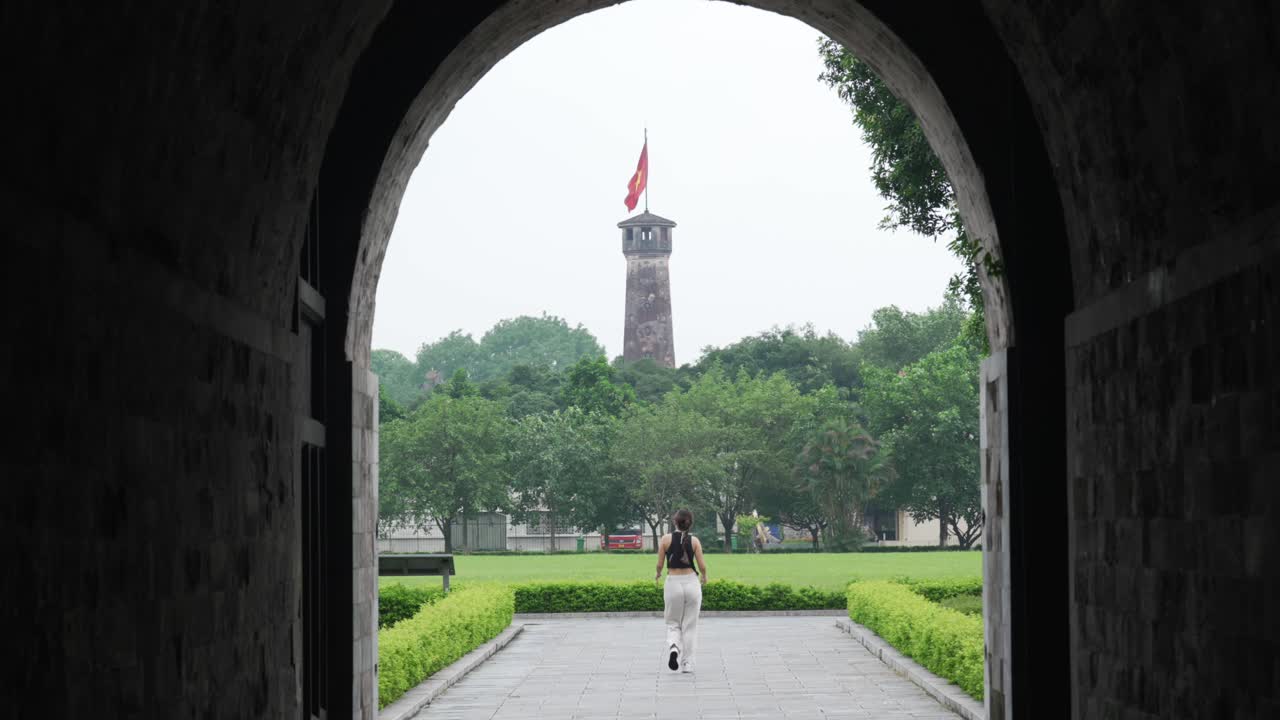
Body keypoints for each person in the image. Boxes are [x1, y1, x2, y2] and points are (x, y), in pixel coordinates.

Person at [654, 509, 707, 673]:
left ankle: (674, 648)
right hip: (691, 583)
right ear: (690, 523)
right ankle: (687, 664)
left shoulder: (665, 539)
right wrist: (704, 576)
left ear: (675, 522)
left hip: (673, 583)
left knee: (673, 622)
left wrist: (657, 574)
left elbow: (659, 565)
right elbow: (702, 565)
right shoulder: (695, 541)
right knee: (690, 625)